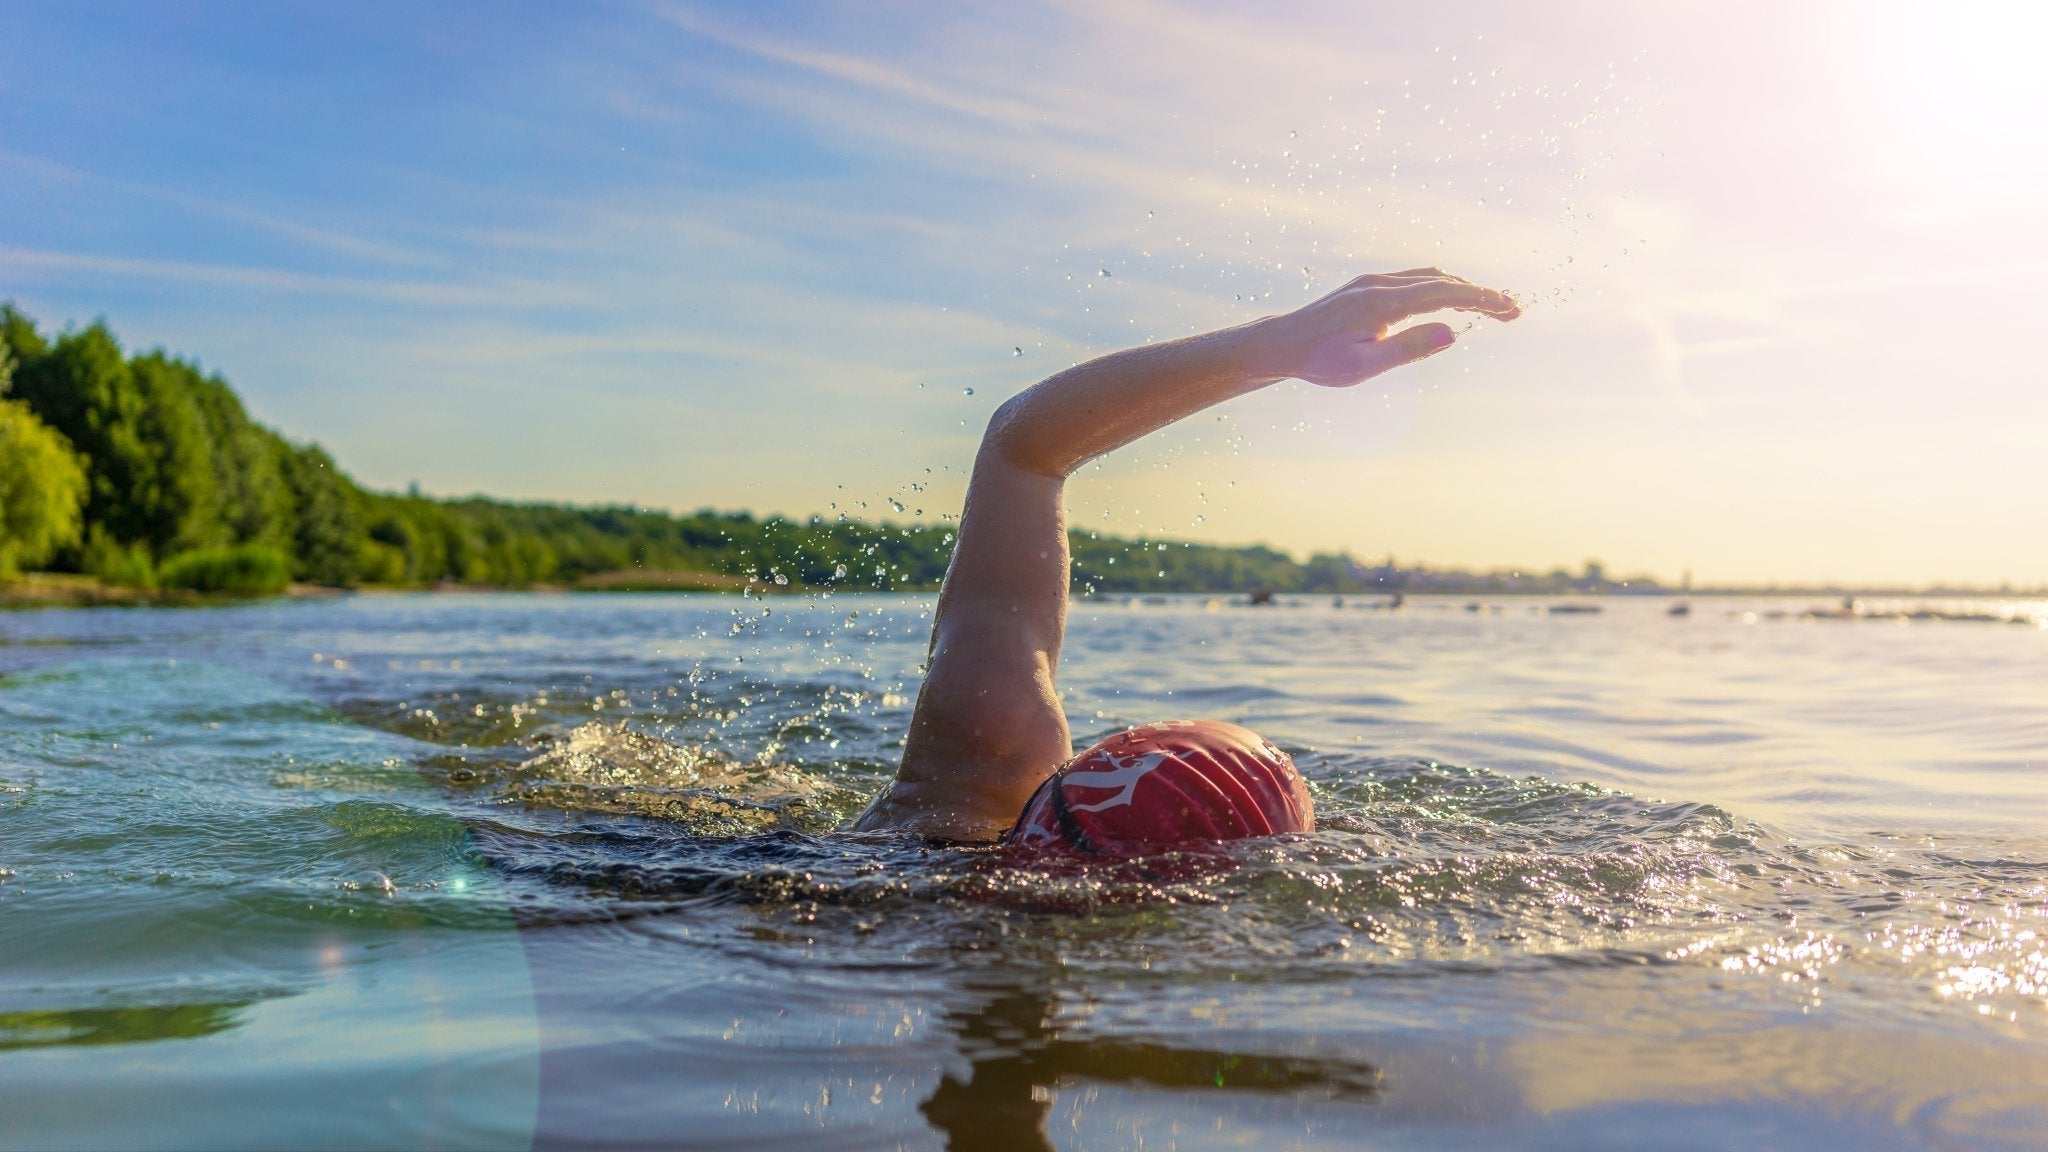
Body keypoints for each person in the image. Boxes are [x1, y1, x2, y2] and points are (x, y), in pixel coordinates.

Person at [851, 269, 1521, 850]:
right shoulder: (967, 792)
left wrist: (1270, 347)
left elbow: (1020, 448)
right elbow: (1021, 453)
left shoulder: (964, 793)